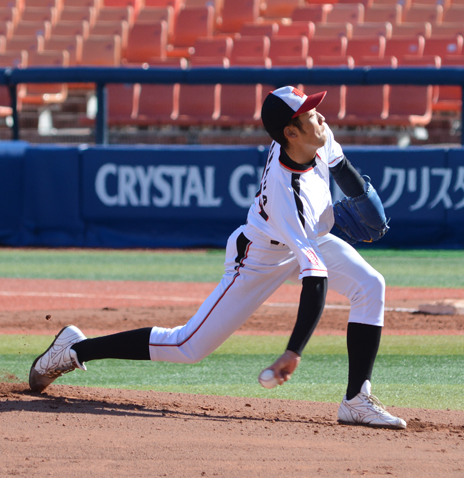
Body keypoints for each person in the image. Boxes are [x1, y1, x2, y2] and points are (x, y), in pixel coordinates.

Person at [29, 86, 406, 429]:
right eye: (310, 113)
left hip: (308, 237)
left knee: (370, 285)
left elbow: (342, 169)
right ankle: (75, 349)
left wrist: (362, 197)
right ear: (290, 132)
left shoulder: (313, 137)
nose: (321, 116)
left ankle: (356, 400)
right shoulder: (286, 192)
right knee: (187, 346)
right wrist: (293, 351)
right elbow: (315, 278)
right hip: (261, 255)